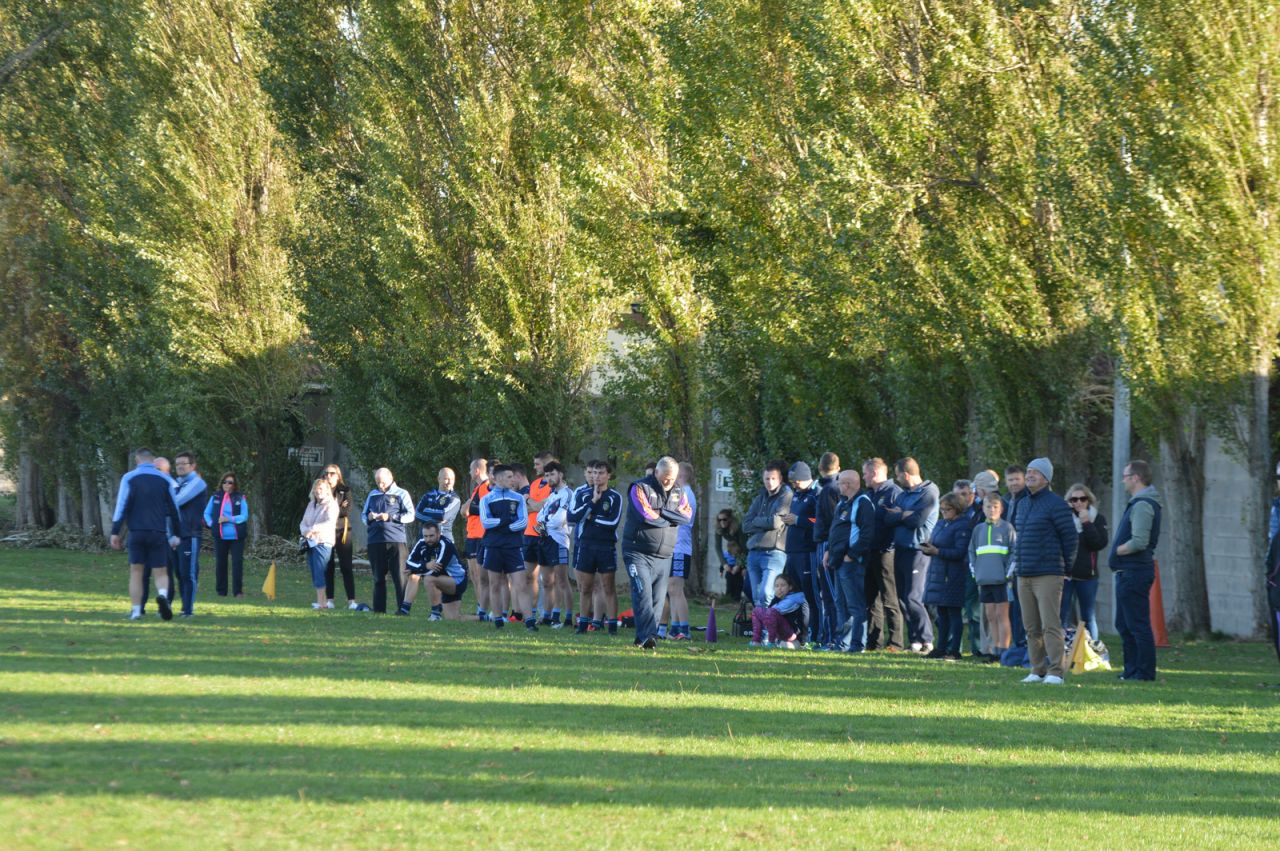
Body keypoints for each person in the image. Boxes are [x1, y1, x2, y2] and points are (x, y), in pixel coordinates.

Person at [1011, 457, 1078, 685]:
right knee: (1030, 626)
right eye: (1028, 471)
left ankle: (1055, 671)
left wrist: (1067, 568)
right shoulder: (1021, 504)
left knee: (1051, 624)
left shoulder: (1057, 504)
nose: (1029, 475)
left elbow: (1069, 539)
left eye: (1035, 472)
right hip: (1024, 572)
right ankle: (1037, 669)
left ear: (1046, 478)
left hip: (1048, 572)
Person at [621, 456, 693, 648]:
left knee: (658, 599)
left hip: (664, 555)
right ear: (656, 472)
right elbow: (646, 514)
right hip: (637, 551)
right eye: (665, 477)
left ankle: (641, 637)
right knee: (642, 592)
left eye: (672, 478)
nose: (668, 482)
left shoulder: (679, 492)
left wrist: (661, 513)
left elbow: (686, 515)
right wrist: (669, 517)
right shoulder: (640, 488)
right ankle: (649, 637)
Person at [110, 448, 182, 620]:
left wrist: (115, 531)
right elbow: (174, 509)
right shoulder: (165, 479)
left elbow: (122, 506)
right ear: (152, 461)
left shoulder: (129, 478)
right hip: (158, 531)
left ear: (137, 460)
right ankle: (163, 596)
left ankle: (136, 611)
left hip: (137, 532)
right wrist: (177, 534)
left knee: (136, 572)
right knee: (161, 571)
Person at [1111, 459, 1162, 681]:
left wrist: (1119, 550)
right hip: (1127, 572)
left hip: (1135, 571)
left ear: (1136, 478)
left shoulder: (1143, 504)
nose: (1123, 480)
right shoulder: (1138, 502)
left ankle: (1144, 672)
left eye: (1125, 475)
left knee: (1137, 625)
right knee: (1123, 624)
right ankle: (1130, 670)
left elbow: (1139, 541)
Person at [883, 457, 939, 653]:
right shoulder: (904, 494)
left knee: (913, 597)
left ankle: (927, 639)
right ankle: (914, 640)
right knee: (902, 598)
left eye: (898, 476)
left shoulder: (929, 492)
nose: (897, 480)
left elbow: (917, 520)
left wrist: (902, 514)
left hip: (918, 549)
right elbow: (888, 517)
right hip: (900, 548)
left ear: (906, 474)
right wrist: (904, 514)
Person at [567, 460, 623, 633]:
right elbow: (572, 517)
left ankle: (612, 626)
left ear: (608, 475)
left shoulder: (615, 497)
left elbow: (612, 522)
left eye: (600, 473)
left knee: (608, 587)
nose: (596, 476)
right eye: (593, 473)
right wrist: (592, 503)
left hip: (606, 546)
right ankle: (583, 625)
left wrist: (591, 517)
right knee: (585, 588)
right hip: (586, 545)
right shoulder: (583, 494)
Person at [824, 469, 874, 652]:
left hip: (851, 562)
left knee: (855, 604)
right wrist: (828, 551)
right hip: (837, 560)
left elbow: (867, 534)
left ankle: (857, 644)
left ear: (848, 484)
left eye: (840, 483)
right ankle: (842, 643)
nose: (838, 486)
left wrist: (851, 555)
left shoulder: (863, 503)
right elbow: (836, 529)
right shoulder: (843, 503)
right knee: (841, 603)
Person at [479, 464, 533, 629]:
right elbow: (486, 522)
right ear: (498, 478)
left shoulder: (517, 498)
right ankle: (497, 619)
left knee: (521, 584)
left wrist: (504, 526)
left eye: (513, 476)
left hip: (513, 546)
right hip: (494, 546)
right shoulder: (486, 499)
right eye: (509, 477)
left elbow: (523, 522)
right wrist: (507, 522)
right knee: (494, 584)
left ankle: (530, 620)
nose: (513, 480)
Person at [921, 493, 973, 660]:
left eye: (947, 509)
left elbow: (960, 552)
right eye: (942, 509)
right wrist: (928, 548)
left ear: (957, 509)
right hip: (938, 571)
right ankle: (941, 647)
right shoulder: (942, 523)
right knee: (941, 612)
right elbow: (935, 542)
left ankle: (954, 650)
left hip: (953, 574)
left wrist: (938, 551)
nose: (944, 512)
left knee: (953, 613)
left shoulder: (963, 526)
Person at [862, 458, 904, 651]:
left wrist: (890, 547)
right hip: (869, 552)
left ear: (875, 473)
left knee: (889, 599)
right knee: (871, 600)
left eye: (865, 473)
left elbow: (898, 522)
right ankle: (874, 643)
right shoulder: (870, 494)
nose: (863, 477)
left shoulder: (894, 493)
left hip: (886, 553)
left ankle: (895, 642)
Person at [1061, 483, 1109, 642]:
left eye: (1082, 499)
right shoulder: (1064, 520)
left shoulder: (1097, 519)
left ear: (1089, 500)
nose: (1078, 502)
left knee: (1088, 616)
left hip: (1088, 576)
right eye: (1074, 499)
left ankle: (1094, 651)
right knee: (1063, 614)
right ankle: (1062, 652)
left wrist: (1087, 524)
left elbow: (1099, 544)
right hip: (1066, 576)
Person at [362, 467, 414, 614]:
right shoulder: (372, 494)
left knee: (400, 577)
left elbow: (411, 515)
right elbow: (363, 515)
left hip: (396, 541)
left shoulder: (402, 493)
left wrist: (391, 517)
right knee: (378, 577)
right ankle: (379, 611)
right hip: (375, 541)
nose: (380, 486)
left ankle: (402, 610)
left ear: (391, 478)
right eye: (377, 482)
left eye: (383, 482)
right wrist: (370, 518)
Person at [970, 495, 1015, 662]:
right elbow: (972, 552)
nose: (992, 510)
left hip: (1001, 581)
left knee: (1001, 615)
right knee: (990, 616)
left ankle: (1004, 651)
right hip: (984, 580)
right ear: (983, 508)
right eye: (988, 507)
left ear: (1001, 509)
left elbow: (1013, 552)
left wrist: (1006, 574)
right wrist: (976, 573)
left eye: (995, 507)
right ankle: (993, 650)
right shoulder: (978, 529)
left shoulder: (1007, 528)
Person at [742, 460, 793, 606]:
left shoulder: (786, 495)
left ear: (780, 479)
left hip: (774, 552)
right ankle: (763, 627)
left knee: (766, 593)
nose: (769, 482)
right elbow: (745, 525)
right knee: (756, 596)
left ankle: (768, 627)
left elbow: (776, 523)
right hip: (754, 551)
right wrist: (765, 522)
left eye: (773, 479)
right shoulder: (760, 497)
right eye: (767, 479)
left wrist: (756, 521)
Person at [782, 462, 822, 644]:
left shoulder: (816, 495)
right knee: (794, 594)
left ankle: (815, 634)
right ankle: (796, 634)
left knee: (810, 596)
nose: (794, 484)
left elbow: (819, 520)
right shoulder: (797, 495)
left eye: (797, 481)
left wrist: (799, 520)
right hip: (792, 551)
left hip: (807, 552)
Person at [399, 520, 468, 619]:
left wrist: (417, 569)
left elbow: (436, 570)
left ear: (439, 534)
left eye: (431, 536)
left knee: (428, 579)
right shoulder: (422, 543)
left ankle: (435, 614)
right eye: (425, 536)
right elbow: (408, 563)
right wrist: (425, 565)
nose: (428, 539)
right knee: (454, 618)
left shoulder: (445, 544)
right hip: (443, 581)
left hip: (458, 580)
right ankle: (485, 618)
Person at [535, 461, 574, 627]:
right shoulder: (551, 496)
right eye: (547, 475)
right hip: (545, 539)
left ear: (561, 474)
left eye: (552, 474)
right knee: (546, 581)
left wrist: (544, 524)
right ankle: (547, 615)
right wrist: (542, 525)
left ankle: (565, 617)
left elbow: (560, 519)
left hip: (558, 540)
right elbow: (539, 517)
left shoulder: (568, 494)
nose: (549, 478)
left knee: (561, 580)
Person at [172, 451, 208, 617]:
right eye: (177, 464)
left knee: (188, 573)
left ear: (192, 466)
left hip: (191, 534)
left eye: (183, 463)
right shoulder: (177, 484)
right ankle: (184, 606)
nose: (179, 466)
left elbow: (177, 501)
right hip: (177, 535)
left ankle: (188, 610)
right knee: (179, 572)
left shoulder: (197, 483)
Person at [665, 461, 698, 641]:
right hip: (673, 547)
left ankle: (684, 630)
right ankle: (675, 628)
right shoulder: (679, 493)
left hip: (680, 548)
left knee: (676, 589)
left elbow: (681, 519)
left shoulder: (686, 495)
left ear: (681, 476)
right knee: (672, 589)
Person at [140, 456, 177, 614]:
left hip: (165, 535)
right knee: (143, 572)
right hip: (146, 533)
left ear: (166, 471)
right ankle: (139, 607)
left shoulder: (171, 485)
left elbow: (174, 513)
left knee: (165, 571)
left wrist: (174, 536)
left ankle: (166, 605)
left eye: (157, 470)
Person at [203, 471, 249, 598]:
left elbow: (244, 516)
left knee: (237, 564)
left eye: (230, 482)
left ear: (234, 485)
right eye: (225, 482)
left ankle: (238, 591)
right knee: (220, 563)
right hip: (220, 536)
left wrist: (229, 519)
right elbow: (206, 513)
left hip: (236, 537)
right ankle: (221, 591)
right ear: (221, 483)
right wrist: (211, 523)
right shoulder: (215, 497)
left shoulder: (240, 497)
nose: (227, 485)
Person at [522, 453, 556, 619]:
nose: (534, 467)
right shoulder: (535, 483)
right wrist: (533, 504)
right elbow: (527, 508)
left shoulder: (554, 485)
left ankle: (547, 614)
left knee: (547, 579)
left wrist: (529, 501)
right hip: (529, 534)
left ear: (547, 463)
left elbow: (544, 507)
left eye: (537, 464)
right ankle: (531, 612)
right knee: (528, 576)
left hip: (545, 534)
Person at [321, 465, 359, 610]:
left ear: (338, 475)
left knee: (346, 566)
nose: (329, 476)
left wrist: (334, 509)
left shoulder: (345, 490)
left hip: (342, 531)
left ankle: (351, 601)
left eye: (332, 473)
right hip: (326, 532)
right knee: (328, 566)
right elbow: (320, 509)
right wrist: (337, 507)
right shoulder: (321, 489)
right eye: (326, 473)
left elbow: (346, 510)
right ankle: (329, 599)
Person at [299, 477, 339, 609]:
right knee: (315, 571)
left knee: (320, 571)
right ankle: (322, 601)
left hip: (323, 542)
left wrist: (313, 530)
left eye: (321, 488)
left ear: (327, 490)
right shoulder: (311, 504)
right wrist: (305, 531)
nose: (318, 491)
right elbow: (303, 522)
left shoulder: (331, 504)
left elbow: (329, 522)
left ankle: (322, 603)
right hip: (311, 543)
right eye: (316, 489)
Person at [464, 459, 493, 620]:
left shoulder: (486, 486)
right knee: (474, 575)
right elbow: (465, 511)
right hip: (471, 534)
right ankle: (480, 606)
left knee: (482, 576)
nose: (469, 473)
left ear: (476, 470)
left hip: (480, 535)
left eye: (470, 469)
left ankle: (485, 608)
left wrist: (469, 507)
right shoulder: (477, 488)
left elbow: (482, 508)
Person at [748, 574, 808, 649]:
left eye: (783, 585)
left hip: (793, 634)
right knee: (756, 610)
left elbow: (774, 612)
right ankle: (756, 641)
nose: (779, 588)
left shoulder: (794, 598)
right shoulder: (779, 598)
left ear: (790, 587)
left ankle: (771, 642)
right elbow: (769, 612)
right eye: (777, 586)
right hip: (781, 632)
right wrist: (776, 598)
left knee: (771, 612)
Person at [415, 467, 461, 542]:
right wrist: (436, 519)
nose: (449, 482)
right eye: (446, 479)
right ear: (439, 479)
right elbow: (417, 514)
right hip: (424, 539)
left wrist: (425, 510)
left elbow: (443, 516)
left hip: (444, 538)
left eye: (452, 479)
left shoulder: (454, 498)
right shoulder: (428, 495)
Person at [715, 509, 749, 604]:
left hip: (747, 550)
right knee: (730, 578)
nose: (722, 522)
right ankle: (729, 599)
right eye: (719, 520)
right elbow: (717, 547)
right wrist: (724, 564)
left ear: (730, 519)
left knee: (741, 580)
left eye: (724, 519)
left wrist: (740, 565)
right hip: (736, 552)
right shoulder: (719, 529)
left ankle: (742, 600)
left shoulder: (739, 528)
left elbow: (745, 549)